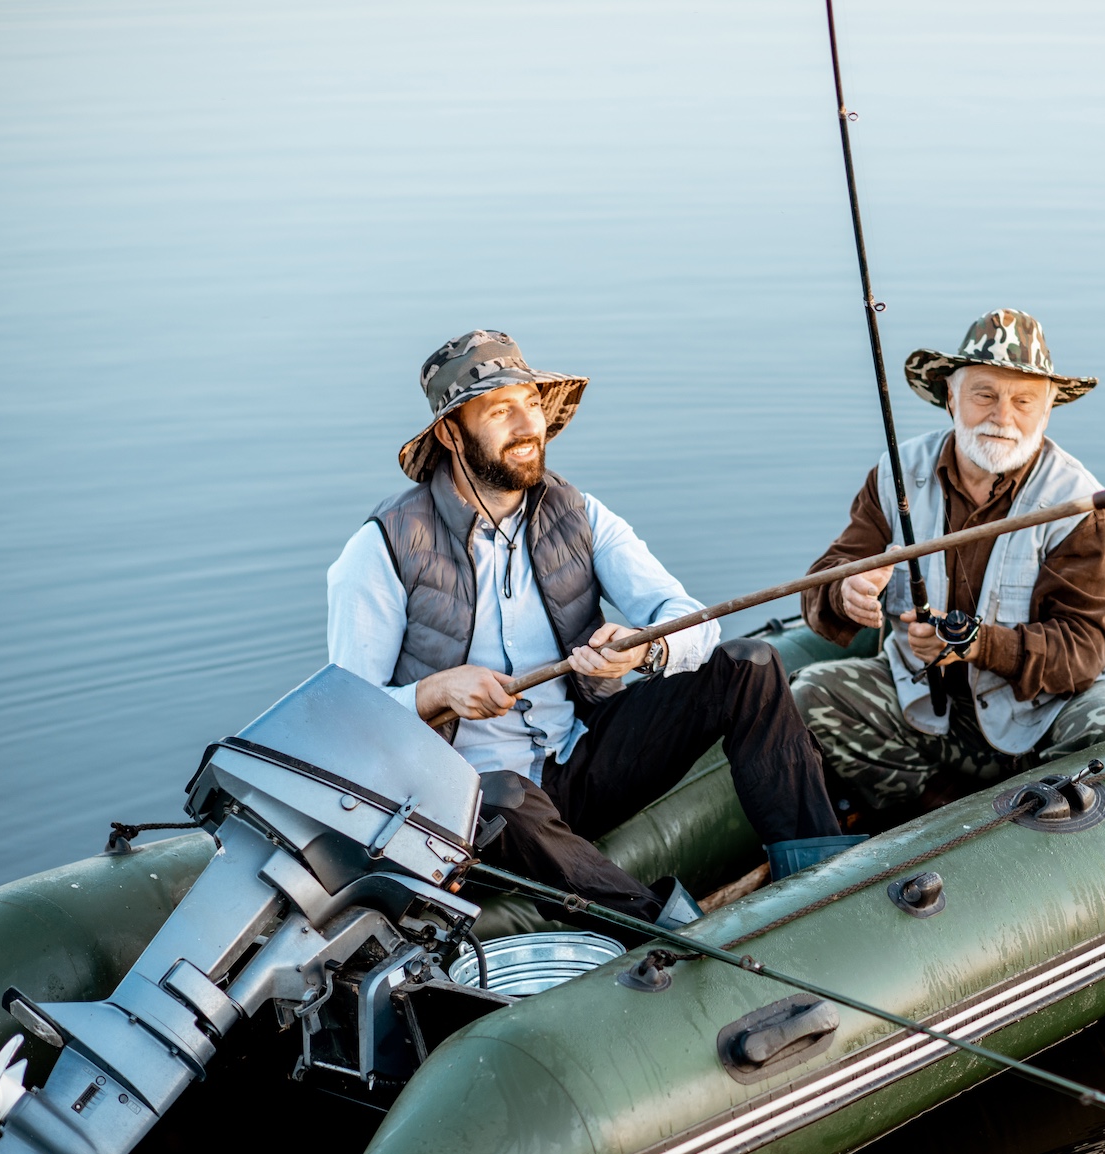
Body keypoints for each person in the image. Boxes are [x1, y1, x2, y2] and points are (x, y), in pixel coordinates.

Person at [327, 330, 845, 925]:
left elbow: (688, 619)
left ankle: (822, 878)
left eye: (533, 403)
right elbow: (346, 729)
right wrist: (435, 693)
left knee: (749, 666)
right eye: (501, 410)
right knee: (499, 794)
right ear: (450, 432)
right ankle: (670, 930)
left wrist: (640, 654)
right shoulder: (381, 549)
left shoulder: (580, 514)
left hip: (576, 762)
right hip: (469, 806)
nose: (529, 426)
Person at [793, 309, 1105, 818]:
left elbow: (1084, 652)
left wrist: (975, 643)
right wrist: (843, 591)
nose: (1002, 416)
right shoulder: (896, 475)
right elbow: (828, 576)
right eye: (984, 394)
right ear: (951, 397)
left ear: (1047, 411)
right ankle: (937, 813)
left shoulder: (1078, 505)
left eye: (1023, 400)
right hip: (931, 711)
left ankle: (1039, 822)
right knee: (811, 694)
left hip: (1047, 717)